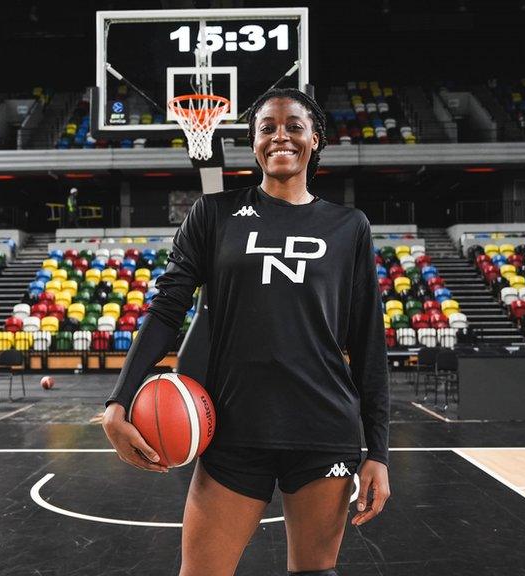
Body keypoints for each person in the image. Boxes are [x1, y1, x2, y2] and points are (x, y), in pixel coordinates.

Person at [102, 88, 390, 576]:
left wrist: (378, 452)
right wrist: (118, 401)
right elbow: (166, 310)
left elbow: (367, 342)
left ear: (315, 140)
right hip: (233, 427)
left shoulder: (348, 226)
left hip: (323, 429)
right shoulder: (213, 215)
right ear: (254, 143)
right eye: (268, 128)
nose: (282, 136)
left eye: (295, 126)